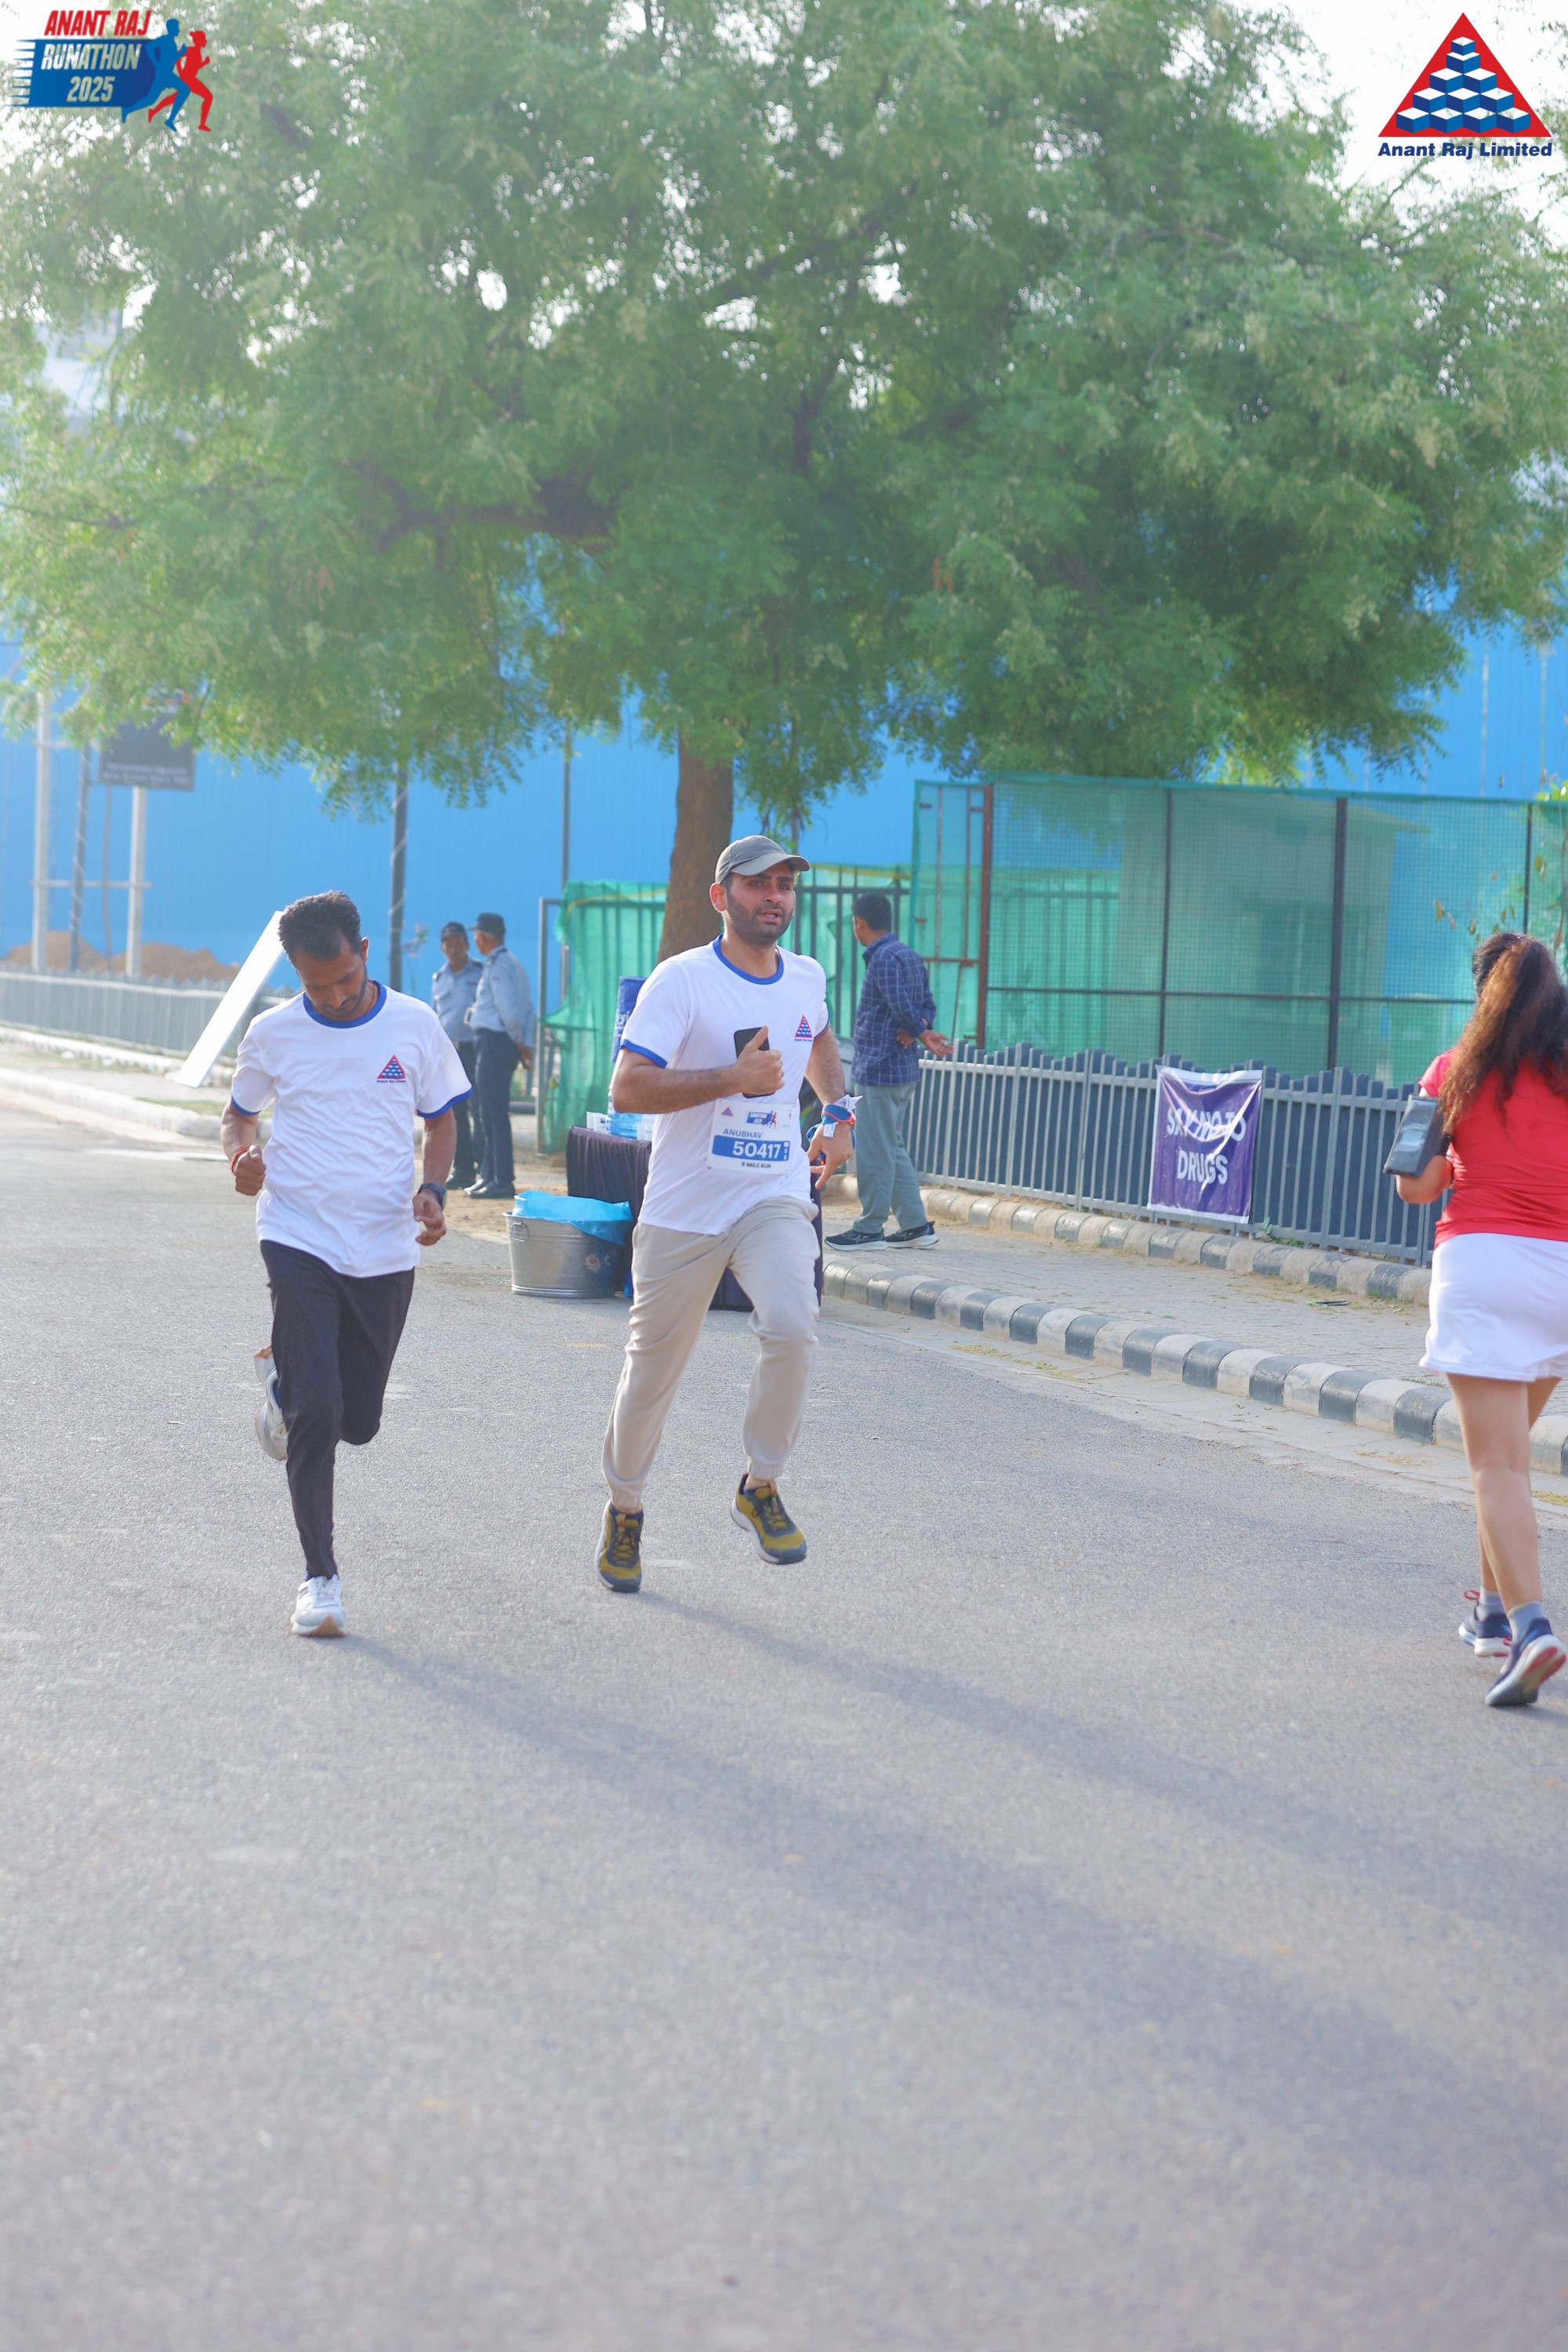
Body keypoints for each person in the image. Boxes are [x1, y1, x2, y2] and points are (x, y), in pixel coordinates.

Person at [594, 836, 857, 1594]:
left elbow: (818, 1035)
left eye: (784, 885)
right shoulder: (682, 981)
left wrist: (838, 1112)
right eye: (756, 884)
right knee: (652, 1372)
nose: (774, 896)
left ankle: (760, 1485)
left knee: (793, 1325)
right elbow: (627, 1089)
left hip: (773, 1193)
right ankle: (625, 1507)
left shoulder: (806, 976)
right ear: (721, 896)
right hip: (685, 1205)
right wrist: (731, 1079)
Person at [222, 891, 470, 1638]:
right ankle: (319, 1578)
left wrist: (433, 1192)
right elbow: (239, 1115)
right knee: (320, 1411)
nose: (332, 997)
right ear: (295, 973)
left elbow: (443, 1122)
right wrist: (240, 1156)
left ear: (364, 952)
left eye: (344, 979)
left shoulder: (415, 1025)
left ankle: (282, 1386)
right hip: (296, 1232)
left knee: (357, 1422)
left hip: (385, 1245)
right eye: (314, 985)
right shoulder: (273, 1033)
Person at [1393, 931, 1568, 1708]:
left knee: (1495, 1465)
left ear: (1483, 995)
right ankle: (1493, 1614)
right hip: (1560, 1277)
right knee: (1509, 1459)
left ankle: (1531, 1630)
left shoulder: (1452, 1070)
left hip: (1483, 1266)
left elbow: (1415, 1186)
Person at [827, 889, 953, 1250]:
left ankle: (869, 1228)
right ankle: (915, 1226)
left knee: (874, 1151)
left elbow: (900, 1006)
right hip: (902, 1071)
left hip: (879, 1070)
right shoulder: (908, 955)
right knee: (891, 1147)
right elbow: (926, 1004)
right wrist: (920, 1027)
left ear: (859, 923)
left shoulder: (882, 959)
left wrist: (918, 1030)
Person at [466, 912, 534, 1200]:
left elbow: (510, 1012)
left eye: (476, 936)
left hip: (495, 1042)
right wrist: (524, 1043)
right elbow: (528, 1009)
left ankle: (501, 1179)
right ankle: (490, 1174)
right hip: (499, 1043)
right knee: (489, 1112)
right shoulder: (512, 963)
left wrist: (517, 1041)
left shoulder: (499, 966)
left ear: (482, 937)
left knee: (492, 1113)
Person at [431, 922, 481, 1189]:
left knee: (480, 1110)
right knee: (456, 1112)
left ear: (467, 944)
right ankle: (463, 1170)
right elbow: (435, 1016)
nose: (453, 949)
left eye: (458, 944)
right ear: (442, 948)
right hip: (450, 1052)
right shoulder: (439, 978)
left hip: (475, 1048)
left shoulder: (481, 972)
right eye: (448, 945)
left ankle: (485, 1169)